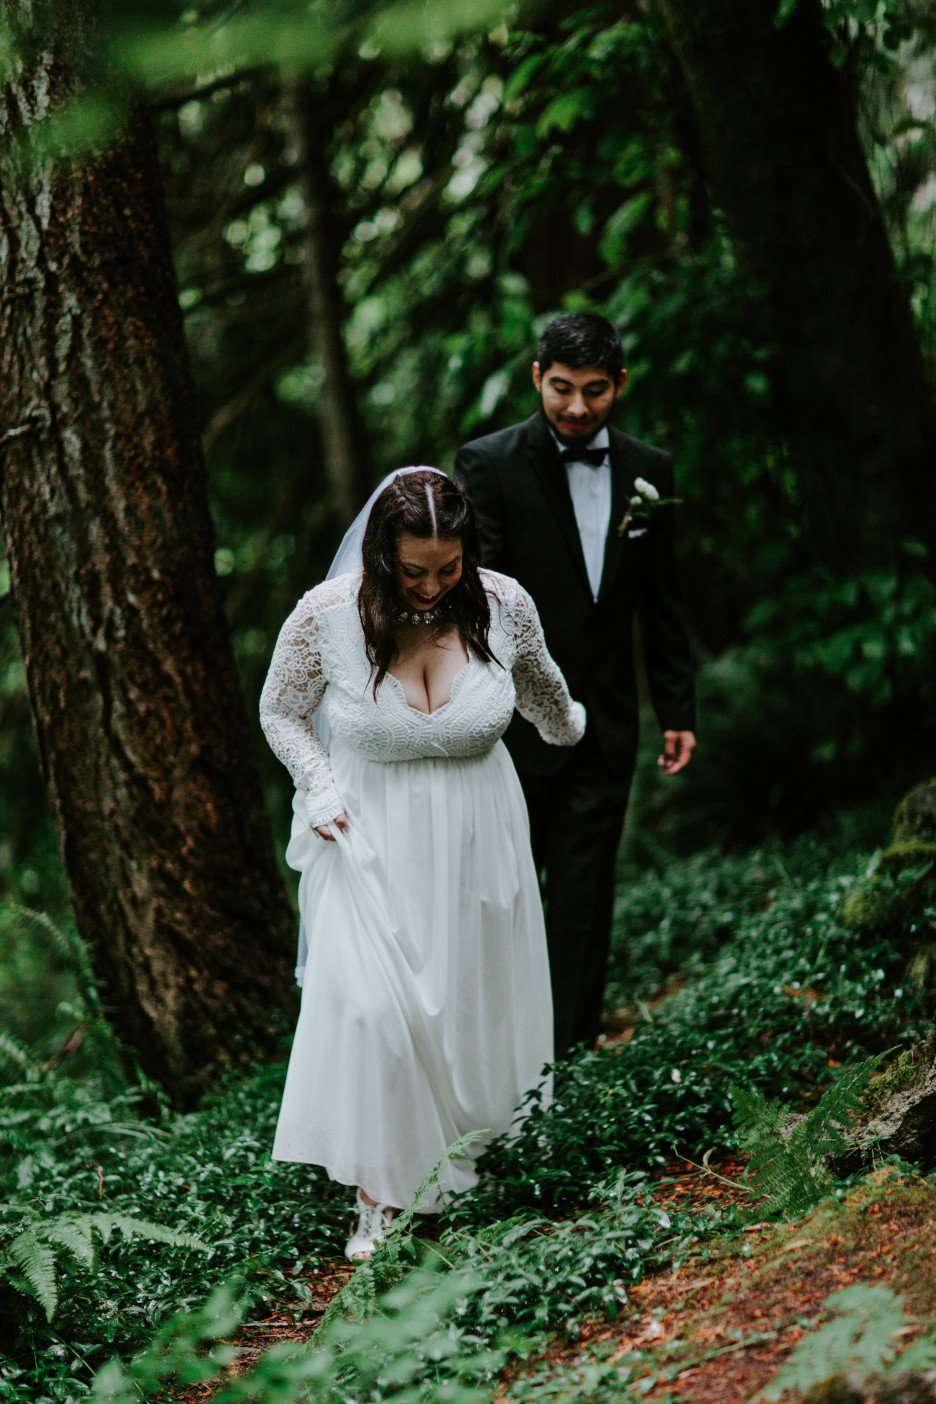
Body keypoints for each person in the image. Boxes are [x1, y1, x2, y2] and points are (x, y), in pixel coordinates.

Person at [259, 468, 584, 1261]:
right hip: (366, 836)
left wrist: (568, 727)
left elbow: (544, 690)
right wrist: (320, 781)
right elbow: (280, 710)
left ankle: (457, 1163)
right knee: (374, 1014)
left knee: (466, 1010)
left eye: (448, 568)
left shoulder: (504, 604)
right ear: (380, 554)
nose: (434, 587)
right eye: (414, 572)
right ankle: (380, 1197)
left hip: (480, 835)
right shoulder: (325, 617)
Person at [455, 312, 696, 1060]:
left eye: (595, 391)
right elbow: (475, 597)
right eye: (562, 389)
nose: (577, 408)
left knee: (585, 899)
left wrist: (676, 708)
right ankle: (498, 1053)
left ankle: (567, 1056)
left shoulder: (649, 470)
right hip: (513, 724)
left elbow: (662, 601)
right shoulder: (489, 464)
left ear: (619, 385)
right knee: (505, 892)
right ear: (537, 377)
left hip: (608, 720)